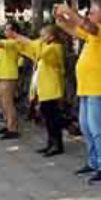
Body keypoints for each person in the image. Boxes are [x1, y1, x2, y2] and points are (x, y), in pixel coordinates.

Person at [54, 1, 101, 184]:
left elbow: (87, 26)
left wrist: (70, 11)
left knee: (97, 129)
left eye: (93, 12)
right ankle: (94, 162)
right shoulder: (95, 33)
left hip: (99, 88)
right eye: (89, 12)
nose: (89, 15)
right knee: (86, 127)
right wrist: (61, 19)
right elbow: (73, 29)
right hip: (86, 88)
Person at [11, 25, 66, 157]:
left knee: (53, 118)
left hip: (52, 89)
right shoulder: (44, 45)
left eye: (43, 35)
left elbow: (39, 51)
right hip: (44, 89)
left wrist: (26, 40)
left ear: (52, 36)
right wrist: (17, 38)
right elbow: (31, 47)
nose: (40, 38)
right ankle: (50, 142)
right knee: (47, 118)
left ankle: (57, 145)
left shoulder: (55, 47)